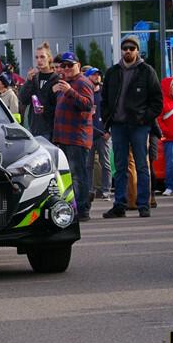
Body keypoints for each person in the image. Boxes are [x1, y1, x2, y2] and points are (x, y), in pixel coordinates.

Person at [100, 35, 162, 218]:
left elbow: (157, 102)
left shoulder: (147, 71)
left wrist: (144, 118)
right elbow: (104, 99)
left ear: (137, 50)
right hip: (118, 125)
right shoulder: (112, 72)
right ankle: (120, 204)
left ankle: (143, 204)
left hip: (139, 126)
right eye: (125, 47)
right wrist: (106, 119)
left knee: (142, 165)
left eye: (131, 48)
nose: (128, 51)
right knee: (120, 167)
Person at [52, 52, 94, 221]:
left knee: (78, 175)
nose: (67, 68)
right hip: (64, 137)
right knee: (69, 176)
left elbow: (88, 104)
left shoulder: (82, 82)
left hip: (77, 138)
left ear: (78, 64)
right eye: (64, 65)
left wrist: (70, 92)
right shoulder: (66, 83)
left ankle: (83, 210)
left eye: (70, 65)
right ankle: (75, 207)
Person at [19, 42, 60, 140]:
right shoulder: (34, 77)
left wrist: (45, 109)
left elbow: (59, 106)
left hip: (50, 129)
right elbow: (23, 99)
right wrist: (28, 81)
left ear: (49, 58)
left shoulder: (56, 79)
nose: (39, 60)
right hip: (34, 127)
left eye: (42, 57)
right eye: (36, 57)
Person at [85, 67, 112, 201]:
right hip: (88, 134)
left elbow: (111, 111)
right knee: (88, 164)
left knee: (105, 163)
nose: (97, 77)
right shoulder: (85, 93)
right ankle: (90, 190)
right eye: (93, 75)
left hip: (103, 134)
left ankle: (106, 190)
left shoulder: (104, 93)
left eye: (98, 75)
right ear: (87, 77)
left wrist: (109, 131)